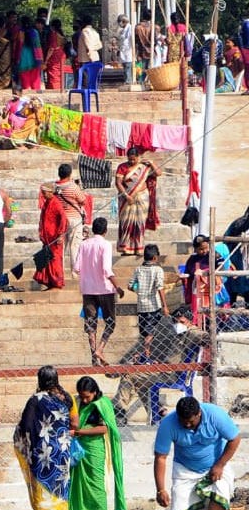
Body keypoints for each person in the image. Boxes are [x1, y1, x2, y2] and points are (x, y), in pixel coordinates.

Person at [154, 396, 241, 510]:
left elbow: (235, 439)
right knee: (179, 500)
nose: (187, 425)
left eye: (191, 421)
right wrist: (160, 489)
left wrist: (219, 465)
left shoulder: (215, 415)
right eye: (183, 421)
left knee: (220, 493)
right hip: (184, 468)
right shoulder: (168, 424)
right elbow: (161, 457)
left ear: (199, 413)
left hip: (216, 464)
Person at [15, 365, 78, 510]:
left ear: (40, 380)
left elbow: (26, 425)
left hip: (43, 453)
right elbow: (75, 424)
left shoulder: (36, 399)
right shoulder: (68, 398)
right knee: (60, 489)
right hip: (62, 453)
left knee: (43, 491)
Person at [66, 376, 126, 510]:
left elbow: (104, 428)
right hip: (78, 449)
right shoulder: (77, 403)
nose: (84, 400)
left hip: (94, 449)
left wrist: (79, 432)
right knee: (76, 487)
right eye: (82, 396)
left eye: (87, 397)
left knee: (96, 487)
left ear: (94, 392)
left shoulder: (102, 404)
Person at [74, 217, 125, 366]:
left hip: (88, 290)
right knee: (110, 322)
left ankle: (93, 356)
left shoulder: (84, 245)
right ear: (105, 231)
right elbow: (106, 269)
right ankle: (100, 349)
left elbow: (77, 268)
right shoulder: (106, 245)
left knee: (91, 324)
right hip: (105, 289)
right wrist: (118, 287)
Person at [115, 146, 159, 256]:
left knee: (140, 222)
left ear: (138, 157)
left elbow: (158, 173)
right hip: (126, 198)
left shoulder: (144, 167)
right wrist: (126, 195)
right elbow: (118, 183)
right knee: (126, 222)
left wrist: (151, 162)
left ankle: (138, 248)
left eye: (134, 159)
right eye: (130, 159)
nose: (132, 161)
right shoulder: (122, 167)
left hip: (142, 196)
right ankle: (126, 248)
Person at [132, 244, 169, 359]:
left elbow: (130, 286)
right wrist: (165, 306)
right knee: (151, 331)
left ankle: (147, 354)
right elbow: (160, 288)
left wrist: (139, 289)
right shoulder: (158, 270)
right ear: (155, 258)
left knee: (145, 331)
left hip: (141, 306)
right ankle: (146, 348)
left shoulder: (138, 269)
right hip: (154, 306)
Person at [15, 15, 43, 91]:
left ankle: (27, 92)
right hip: (35, 59)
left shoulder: (19, 32)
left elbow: (17, 45)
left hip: (23, 59)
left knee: (25, 81)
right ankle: (37, 94)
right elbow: (38, 46)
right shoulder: (35, 32)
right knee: (35, 79)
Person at [42, 19, 67, 90]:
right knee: (60, 73)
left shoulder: (54, 35)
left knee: (53, 73)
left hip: (54, 56)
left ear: (52, 27)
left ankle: (54, 89)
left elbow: (51, 48)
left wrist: (46, 60)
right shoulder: (61, 34)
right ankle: (60, 87)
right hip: (61, 55)